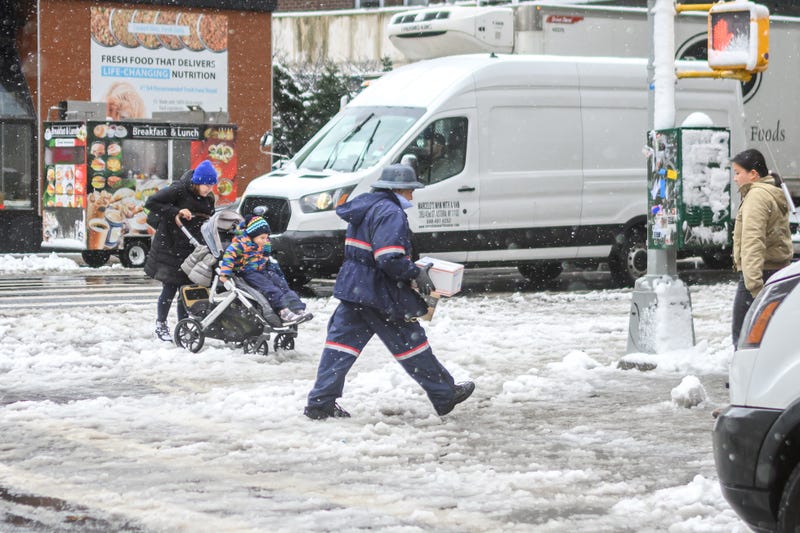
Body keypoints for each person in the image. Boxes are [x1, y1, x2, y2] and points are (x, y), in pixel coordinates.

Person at [304, 164, 474, 420]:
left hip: (354, 288)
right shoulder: (390, 212)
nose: (412, 197)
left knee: (339, 346)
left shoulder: (365, 207)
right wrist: (414, 273)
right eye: (410, 191)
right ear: (397, 189)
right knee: (411, 342)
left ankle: (320, 403)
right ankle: (444, 393)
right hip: (379, 292)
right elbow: (388, 258)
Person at [144, 159, 217, 342]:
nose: (209, 189)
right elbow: (151, 203)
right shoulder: (179, 190)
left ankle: (182, 326)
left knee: (186, 290)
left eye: (211, 185)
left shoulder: (209, 198)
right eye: (206, 185)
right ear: (197, 181)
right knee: (169, 287)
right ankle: (161, 325)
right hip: (169, 246)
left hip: (191, 249)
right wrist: (176, 211)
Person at [730, 148, 793, 347]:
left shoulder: (757, 197)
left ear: (753, 174)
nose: (735, 178)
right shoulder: (770, 192)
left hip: (758, 274)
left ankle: (744, 377)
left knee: (743, 337)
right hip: (774, 271)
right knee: (768, 335)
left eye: (738, 173)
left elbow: (752, 242)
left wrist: (754, 285)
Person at [217, 215, 313, 326]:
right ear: (252, 235)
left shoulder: (262, 243)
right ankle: (283, 311)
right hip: (248, 272)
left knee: (282, 286)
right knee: (270, 289)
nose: (265, 240)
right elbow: (229, 256)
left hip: (263, 270)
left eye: (266, 237)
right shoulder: (239, 245)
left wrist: (268, 259)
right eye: (262, 238)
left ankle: (297, 309)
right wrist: (224, 274)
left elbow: (266, 253)